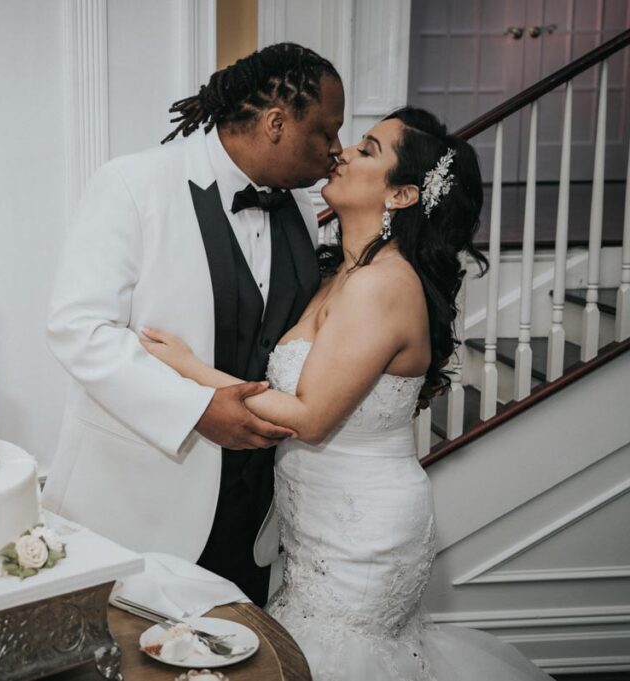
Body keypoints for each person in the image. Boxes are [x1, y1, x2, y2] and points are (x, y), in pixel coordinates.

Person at [141, 107, 551, 679]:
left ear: (402, 195)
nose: (343, 152)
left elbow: (309, 418)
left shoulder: (384, 284)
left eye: (368, 149)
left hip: (362, 533)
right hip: (314, 524)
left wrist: (189, 369)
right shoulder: (341, 275)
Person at [43, 43, 344, 604]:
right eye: (326, 132)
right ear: (276, 123)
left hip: (256, 516)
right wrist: (197, 408)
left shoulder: (300, 207)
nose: (336, 150)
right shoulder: (133, 183)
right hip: (142, 505)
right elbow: (77, 328)